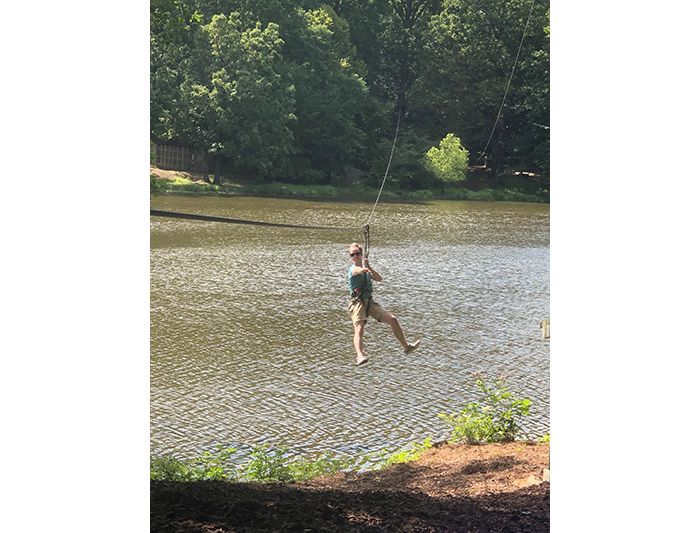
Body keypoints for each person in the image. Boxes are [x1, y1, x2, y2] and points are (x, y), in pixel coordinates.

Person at [346, 242, 421, 365]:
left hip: (370, 302)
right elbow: (356, 271)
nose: (354, 256)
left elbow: (379, 278)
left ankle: (406, 347)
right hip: (357, 303)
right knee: (359, 329)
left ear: (361, 254)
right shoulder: (353, 269)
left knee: (393, 319)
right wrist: (363, 269)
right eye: (352, 255)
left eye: (357, 254)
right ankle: (359, 356)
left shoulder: (366, 269)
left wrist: (369, 268)